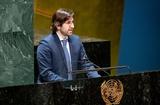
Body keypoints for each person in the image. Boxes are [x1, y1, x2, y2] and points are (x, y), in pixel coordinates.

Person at [37, 8, 101, 83]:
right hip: (52, 90)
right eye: (68, 23)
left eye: (72, 22)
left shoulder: (76, 41)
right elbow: (46, 73)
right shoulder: (45, 45)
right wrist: (67, 84)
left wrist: (98, 79)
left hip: (71, 89)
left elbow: (85, 64)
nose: (72, 26)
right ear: (58, 25)